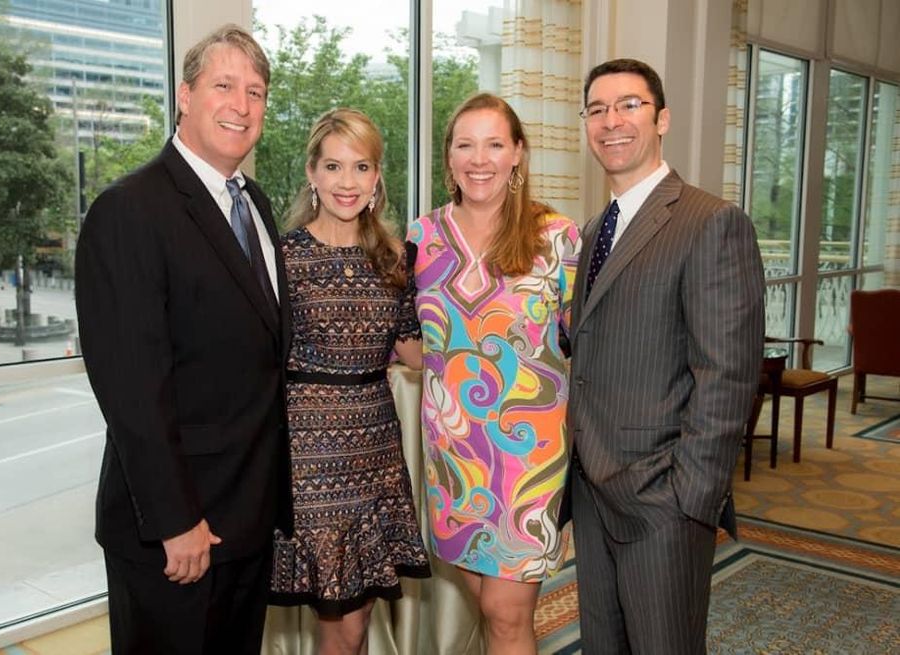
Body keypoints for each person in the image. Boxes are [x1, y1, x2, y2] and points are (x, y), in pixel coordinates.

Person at [75, 24, 291, 654]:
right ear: (185, 96)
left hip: (247, 521)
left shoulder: (254, 203)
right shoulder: (130, 210)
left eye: (255, 92)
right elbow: (131, 387)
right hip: (177, 533)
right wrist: (176, 521)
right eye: (224, 85)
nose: (242, 105)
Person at [565, 58, 765, 654]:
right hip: (592, 488)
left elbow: (727, 375)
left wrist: (690, 501)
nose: (611, 121)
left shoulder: (712, 222)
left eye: (629, 105)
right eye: (597, 109)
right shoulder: (597, 228)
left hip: (664, 501)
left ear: (662, 119)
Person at [408, 93, 580, 655]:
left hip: (527, 460)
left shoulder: (556, 238)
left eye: (494, 144)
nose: (479, 159)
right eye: (465, 144)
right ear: (449, 157)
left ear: (517, 155)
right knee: (488, 602)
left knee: (507, 615)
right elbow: (411, 342)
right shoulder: (421, 238)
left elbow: (589, 341)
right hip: (453, 458)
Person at [268, 108, 431, 655]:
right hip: (309, 458)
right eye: (333, 166)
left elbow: (412, 351)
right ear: (311, 173)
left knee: (354, 620)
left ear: (377, 177)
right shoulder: (281, 257)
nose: (347, 182)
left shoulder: (396, 258)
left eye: (361, 167)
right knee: (340, 623)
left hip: (376, 452)